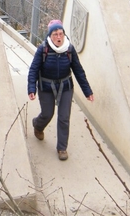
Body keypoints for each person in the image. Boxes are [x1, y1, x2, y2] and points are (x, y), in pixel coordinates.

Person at [28, 20, 94, 161]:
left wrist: (87, 91)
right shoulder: (43, 49)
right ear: (50, 36)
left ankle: (62, 148)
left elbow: (78, 71)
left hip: (65, 87)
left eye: (61, 34)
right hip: (46, 86)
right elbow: (33, 69)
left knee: (64, 118)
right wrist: (31, 88)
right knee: (47, 113)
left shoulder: (69, 49)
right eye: (55, 34)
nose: (59, 37)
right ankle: (38, 125)